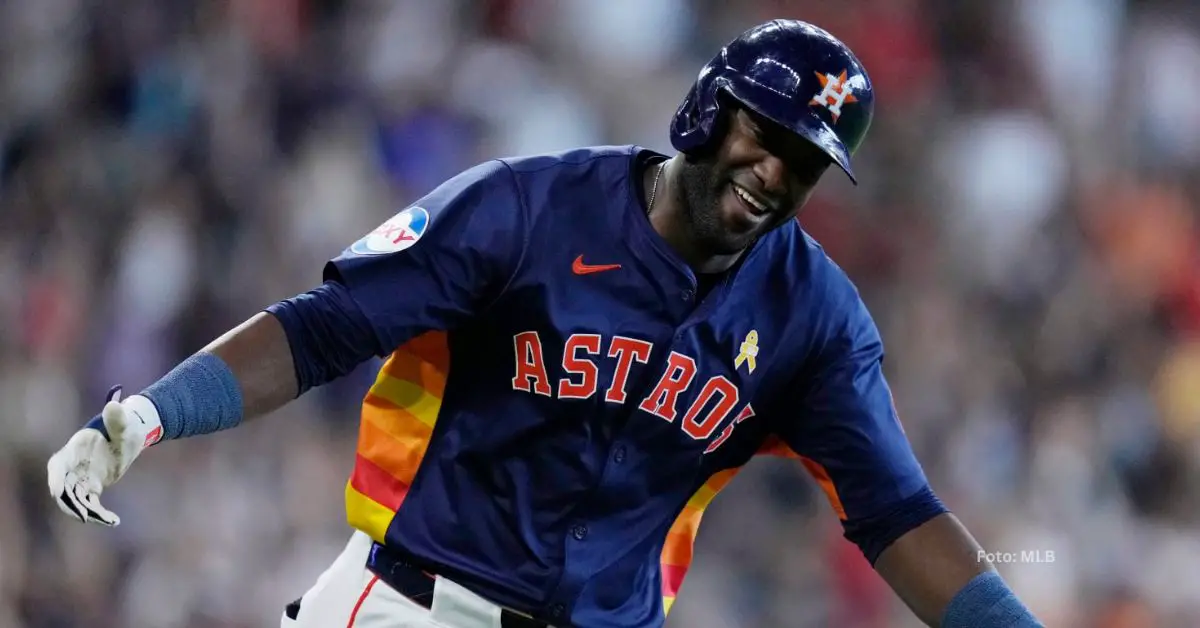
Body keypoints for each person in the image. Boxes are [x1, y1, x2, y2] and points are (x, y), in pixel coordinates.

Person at [46, 19, 1043, 628]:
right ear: (707, 111)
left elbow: (898, 515)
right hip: (413, 604)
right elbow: (323, 330)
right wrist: (145, 418)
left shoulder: (812, 316)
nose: (776, 172)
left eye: (807, 159)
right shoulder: (529, 211)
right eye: (766, 135)